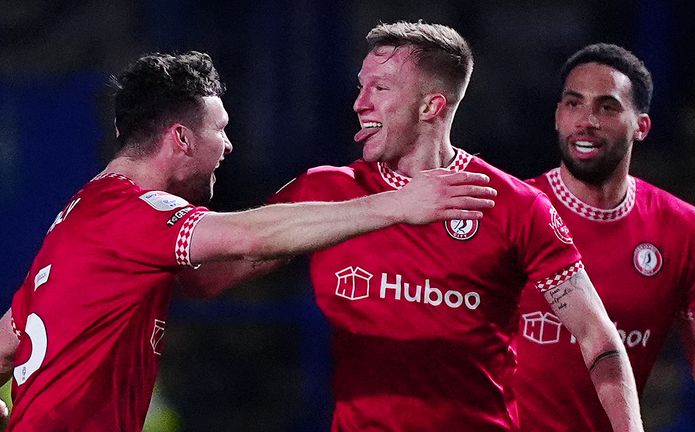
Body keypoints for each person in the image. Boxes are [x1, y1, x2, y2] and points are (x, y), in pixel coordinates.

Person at [0, 50, 497, 431]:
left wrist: (313, 217)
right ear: (182, 139)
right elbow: (247, 235)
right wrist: (398, 205)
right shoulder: (135, 214)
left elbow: (8, 342)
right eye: (221, 129)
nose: (229, 145)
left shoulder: (81, 218)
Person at [269, 22, 643, 431]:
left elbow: (597, 337)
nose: (360, 103)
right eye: (362, 86)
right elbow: (224, 261)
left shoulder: (514, 206)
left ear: (431, 106)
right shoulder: (323, 191)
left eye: (380, 88)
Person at [509, 43, 695, 431]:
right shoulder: (511, 211)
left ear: (641, 126)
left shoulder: (683, 229)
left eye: (607, 107)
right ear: (558, 117)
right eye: (574, 104)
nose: (586, 120)